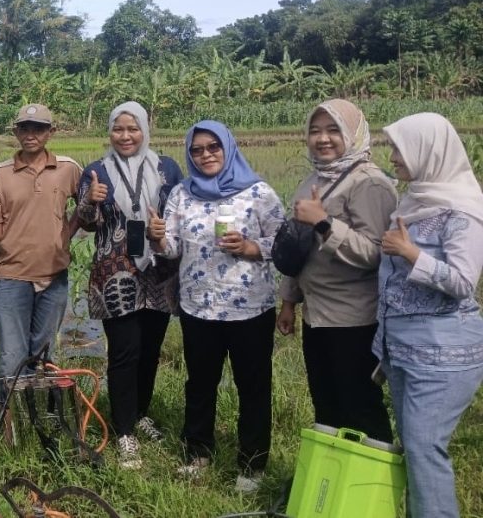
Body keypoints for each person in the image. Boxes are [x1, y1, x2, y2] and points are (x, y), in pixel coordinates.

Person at [149, 120, 284, 492]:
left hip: (250, 308)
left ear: (228, 147)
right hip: (199, 307)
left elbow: (284, 243)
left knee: (253, 387)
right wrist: (157, 239)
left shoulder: (258, 193)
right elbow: (173, 248)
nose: (205, 155)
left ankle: (252, 465)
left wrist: (251, 247)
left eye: (213, 147)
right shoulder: (182, 194)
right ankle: (198, 453)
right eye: (197, 150)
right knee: (200, 384)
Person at [375, 113, 483, 518]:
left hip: (442, 354)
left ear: (428, 151)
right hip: (405, 350)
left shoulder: (463, 211)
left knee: (424, 449)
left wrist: (411, 253)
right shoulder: (416, 201)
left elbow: (463, 281)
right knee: (415, 447)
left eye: (400, 149)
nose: (393, 157)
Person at [276, 100, 395, 443]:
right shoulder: (312, 180)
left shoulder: (370, 184)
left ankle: (373, 473)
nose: (322, 139)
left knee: (360, 405)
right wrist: (289, 301)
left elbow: (376, 253)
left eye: (333, 130)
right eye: (315, 131)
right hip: (317, 316)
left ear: (353, 135)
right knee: (326, 404)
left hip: (355, 318)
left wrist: (324, 223)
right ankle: (332, 473)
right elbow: (300, 247)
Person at [76, 102, 182, 469]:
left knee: (150, 350)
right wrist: (89, 202)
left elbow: (178, 215)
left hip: (159, 273)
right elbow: (87, 222)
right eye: (118, 129)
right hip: (115, 276)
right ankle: (123, 431)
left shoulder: (167, 168)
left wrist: (163, 230)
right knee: (124, 352)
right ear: (109, 131)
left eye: (133, 128)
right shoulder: (97, 171)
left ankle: (140, 412)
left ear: (145, 130)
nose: (125, 136)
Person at [0, 103, 81, 395]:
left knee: (45, 355)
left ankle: (43, 414)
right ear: (16, 132)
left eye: (39, 128)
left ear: (51, 132)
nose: (31, 134)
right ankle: (10, 417)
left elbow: (86, 207)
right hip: (13, 276)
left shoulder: (69, 169)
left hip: (54, 275)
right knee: (12, 357)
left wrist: (68, 232)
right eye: (24, 128)